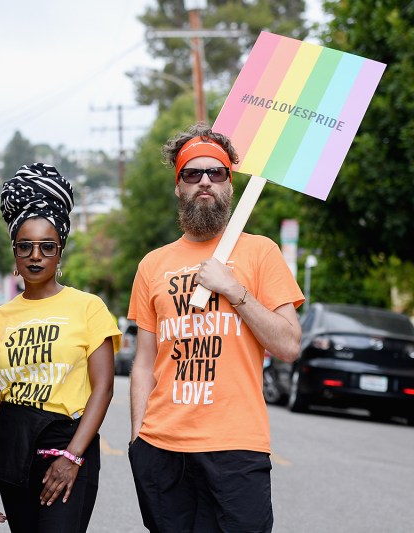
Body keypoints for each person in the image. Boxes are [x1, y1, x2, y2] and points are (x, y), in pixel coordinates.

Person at [127, 124, 305, 532]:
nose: (205, 180)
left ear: (230, 184)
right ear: (178, 186)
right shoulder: (152, 264)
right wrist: (138, 440)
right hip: (162, 447)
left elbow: (289, 344)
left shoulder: (261, 252)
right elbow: (143, 361)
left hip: (237, 446)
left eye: (217, 173)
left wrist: (234, 289)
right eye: (193, 173)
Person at [0, 163, 122, 533]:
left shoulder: (89, 307)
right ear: (15, 254)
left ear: (60, 252)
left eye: (46, 247)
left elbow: (103, 388)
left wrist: (73, 456)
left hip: (65, 444)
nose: (35, 255)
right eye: (25, 246)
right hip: (13, 448)